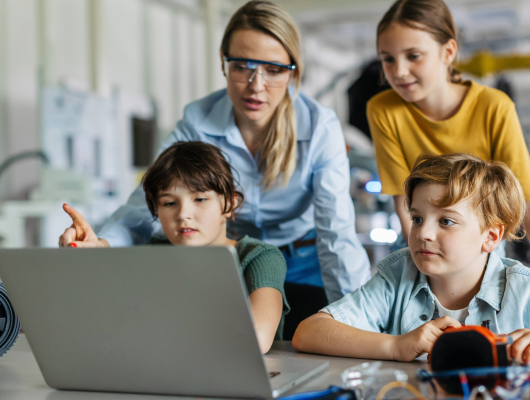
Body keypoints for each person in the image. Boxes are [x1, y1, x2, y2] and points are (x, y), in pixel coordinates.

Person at [58, 0, 371, 338]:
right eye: (242, 66)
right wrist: (103, 246)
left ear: (294, 71)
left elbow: (336, 231)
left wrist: (359, 319)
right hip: (227, 261)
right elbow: (146, 202)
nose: (256, 85)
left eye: (274, 70)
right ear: (224, 64)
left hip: (308, 260)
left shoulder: (319, 126)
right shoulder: (199, 120)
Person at [293, 153, 530, 363]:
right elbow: (309, 332)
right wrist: (396, 346)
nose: (423, 233)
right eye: (416, 219)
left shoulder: (529, 292)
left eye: (446, 221)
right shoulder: (398, 275)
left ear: (491, 236)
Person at [366, 0, 530, 297]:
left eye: (413, 56)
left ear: (448, 52)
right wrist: (424, 265)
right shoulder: (383, 109)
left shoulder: (493, 106)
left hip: (479, 247)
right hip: (426, 242)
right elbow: (403, 199)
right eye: (387, 59)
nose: (399, 71)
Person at [62, 141, 289, 354]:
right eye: (169, 203)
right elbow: (101, 321)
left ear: (229, 203)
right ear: (156, 211)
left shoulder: (260, 258)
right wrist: (84, 260)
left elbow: (255, 338)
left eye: (200, 199)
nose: (183, 215)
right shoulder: (153, 254)